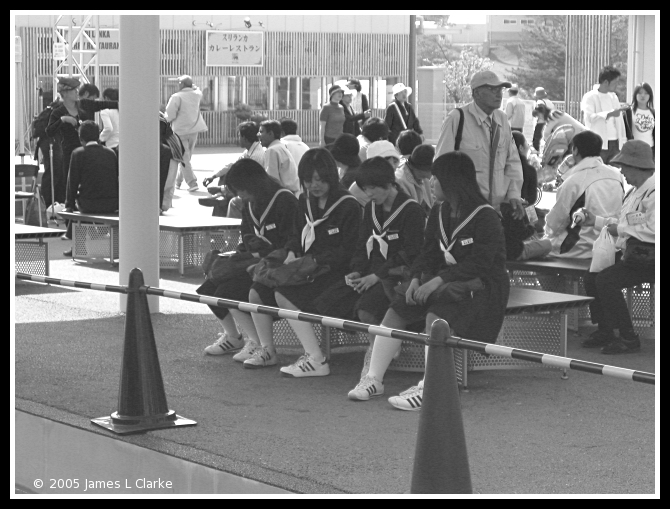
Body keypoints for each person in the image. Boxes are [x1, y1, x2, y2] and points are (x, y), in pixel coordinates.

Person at [347, 151, 509, 410]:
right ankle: (373, 378)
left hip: (481, 288)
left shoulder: (485, 215)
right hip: (444, 283)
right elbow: (428, 252)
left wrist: (436, 281)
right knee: (398, 307)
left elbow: (481, 263)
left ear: (452, 181)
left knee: (436, 317)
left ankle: (429, 388)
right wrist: (415, 279)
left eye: (435, 179)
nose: (430, 184)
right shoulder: (439, 210)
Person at [231, 148, 361, 374]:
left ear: (331, 176)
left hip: (334, 271)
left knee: (284, 294)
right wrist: (291, 252)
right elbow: (295, 235)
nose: (314, 186)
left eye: (320, 180)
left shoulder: (347, 205)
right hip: (305, 266)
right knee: (257, 291)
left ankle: (316, 359)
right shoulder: (305, 201)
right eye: (308, 180)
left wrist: (313, 260)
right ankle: (267, 350)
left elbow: (349, 250)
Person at [315, 156, 425, 376]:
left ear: (389, 183)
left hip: (396, 276)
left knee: (367, 309)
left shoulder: (411, 210)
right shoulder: (371, 209)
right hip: (370, 273)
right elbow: (362, 243)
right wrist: (356, 270)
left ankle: (376, 356)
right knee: (327, 301)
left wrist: (377, 276)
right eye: (365, 189)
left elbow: (410, 253)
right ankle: (384, 347)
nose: (369, 194)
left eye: (373, 188)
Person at [196, 159, 299, 360]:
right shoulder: (249, 204)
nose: (240, 195)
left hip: (276, 265)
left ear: (255, 182)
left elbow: (292, 241)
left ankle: (258, 343)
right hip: (254, 262)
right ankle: (233, 337)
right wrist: (241, 254)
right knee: (208, 289)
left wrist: (260, 254)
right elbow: (246, 237)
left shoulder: (284, 200)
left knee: (228, 292)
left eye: (242, 189)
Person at [579, 140, 655, 354]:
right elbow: (628, 222)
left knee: (605, 280)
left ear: (636, 167)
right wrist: (596, 221)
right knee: (592, 276)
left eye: (624, 166)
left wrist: (621, 231)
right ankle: (606, 330)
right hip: (636, 255)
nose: (621, 170)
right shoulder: (637, 191)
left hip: (648, 258)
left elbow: (652, 230)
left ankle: (627, 336)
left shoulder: (654, 192)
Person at [434, 70, 525, 219]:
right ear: (476, 93)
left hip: (496, 210)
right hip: (465, 210)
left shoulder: (501, 119)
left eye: (500, 89)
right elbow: (442, 165)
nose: (498, 94)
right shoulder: (457, 119)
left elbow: (512, 161)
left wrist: (514, 194)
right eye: (492, 89)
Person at [46, 78, 118, 224]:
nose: (77, 92)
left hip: (90, 151)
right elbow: (49, 131)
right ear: (64, 93)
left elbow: (103, 104)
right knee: (71, 184)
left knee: (93, 182)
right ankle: (71, 225)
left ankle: (93, 222)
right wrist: (63, 120)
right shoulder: (58, 112)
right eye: (73, 90)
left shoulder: (84, 104)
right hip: (70, 152)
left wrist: (121, 103)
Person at [543, 130, 625, 258]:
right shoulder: (617, 175)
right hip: (612, 245)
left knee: (542, 249)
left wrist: (545, 231)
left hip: (579, 249)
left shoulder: (574, 181)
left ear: (575, 150)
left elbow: (555, 224)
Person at [61, 121, 119, 256]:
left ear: (81, 138)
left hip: (89, 204)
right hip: (111, 203)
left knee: (80, 205)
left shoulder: (78, 153)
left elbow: (72, 183)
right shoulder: (111, 153)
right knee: (87, 198)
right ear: (98, 135)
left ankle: (78, 246)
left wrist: (68, 205)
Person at [201, 121, 265, 218]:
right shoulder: (249, 150)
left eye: (239, 136)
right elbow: (232, 165)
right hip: (246, 187)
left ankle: (222, 196)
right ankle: (221, 195)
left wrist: (221, 188)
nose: (238, 139)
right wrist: (213, 176)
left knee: (227, 201)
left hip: (254, 192)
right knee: (225, 176)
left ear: (244, 137)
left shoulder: (256, 156)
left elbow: (247, 182)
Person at [165, 75, 208, 192]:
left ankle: (192, 183)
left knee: (184, 158)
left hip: (180, 131)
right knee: (186, 158)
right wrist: (192, 85)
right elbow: (197, 89)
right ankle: (178, 182)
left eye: (179, 82)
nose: (178, 84)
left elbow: (170, 115)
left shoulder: (176, 97)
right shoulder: (197, 95)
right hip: (194, 130)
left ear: (182, 85)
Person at [580, 66, 628, 164]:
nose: (617, 85)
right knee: (596, 171)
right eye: (615, 83)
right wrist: (609, 114)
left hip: (615, 142)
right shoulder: (590, 97)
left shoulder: (614, 97)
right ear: (606, 82)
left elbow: (620, 122)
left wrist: (623, 140)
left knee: (613, 173)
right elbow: (589, 118)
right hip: (598, 143)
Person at [32, 96, 63, 208]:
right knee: (54, 172)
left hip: (47, 143)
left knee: (51, 172)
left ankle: (48, 202)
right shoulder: (59, 111)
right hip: (52, 143)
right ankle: (50, 202)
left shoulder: (50, 111)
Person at [349, 140, 401, 206]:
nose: (393, 166)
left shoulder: (396, 181)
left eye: (395, 161)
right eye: (385, 162)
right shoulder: (359, 188)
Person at [258, 119, 301, 195]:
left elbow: (272, 180)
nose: (258, 135)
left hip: (282, 196)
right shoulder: (280, 147)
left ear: (270, 134)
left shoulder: (272, 150)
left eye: (261, 132)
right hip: (291, 193)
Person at [395, 144, 435, 215]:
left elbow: (430, 206)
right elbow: (408, 213)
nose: (430, 176)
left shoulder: (423, 178)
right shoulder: (400, 181)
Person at [624, 82, 655, 159]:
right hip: (634, 150)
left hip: (650, 150)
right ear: (635, 95)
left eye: (646, 93)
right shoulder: (628, 111)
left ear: (650, 95)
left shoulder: (653, 113)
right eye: (640, 93)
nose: (643, 95)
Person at [511, 131, 538, 206]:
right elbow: (532, 198)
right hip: (522, 210)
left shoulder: (502, 167)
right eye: (526, 143)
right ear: (521, 148)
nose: (528, 146)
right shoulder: (530, 170)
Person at [532, 86, 554, 152]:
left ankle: (537, 153)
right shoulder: (550, 102)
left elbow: (536, 113)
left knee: (537, 140)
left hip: (541, 123)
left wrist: (534, 112)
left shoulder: (540, 102)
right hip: (550, 123)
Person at [99, 88, 119, 152]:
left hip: (112, 145)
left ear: (106, 98)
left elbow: (109, 128)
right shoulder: (121, 109)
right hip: (123, 145)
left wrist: (100, 138)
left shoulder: (105, 110)